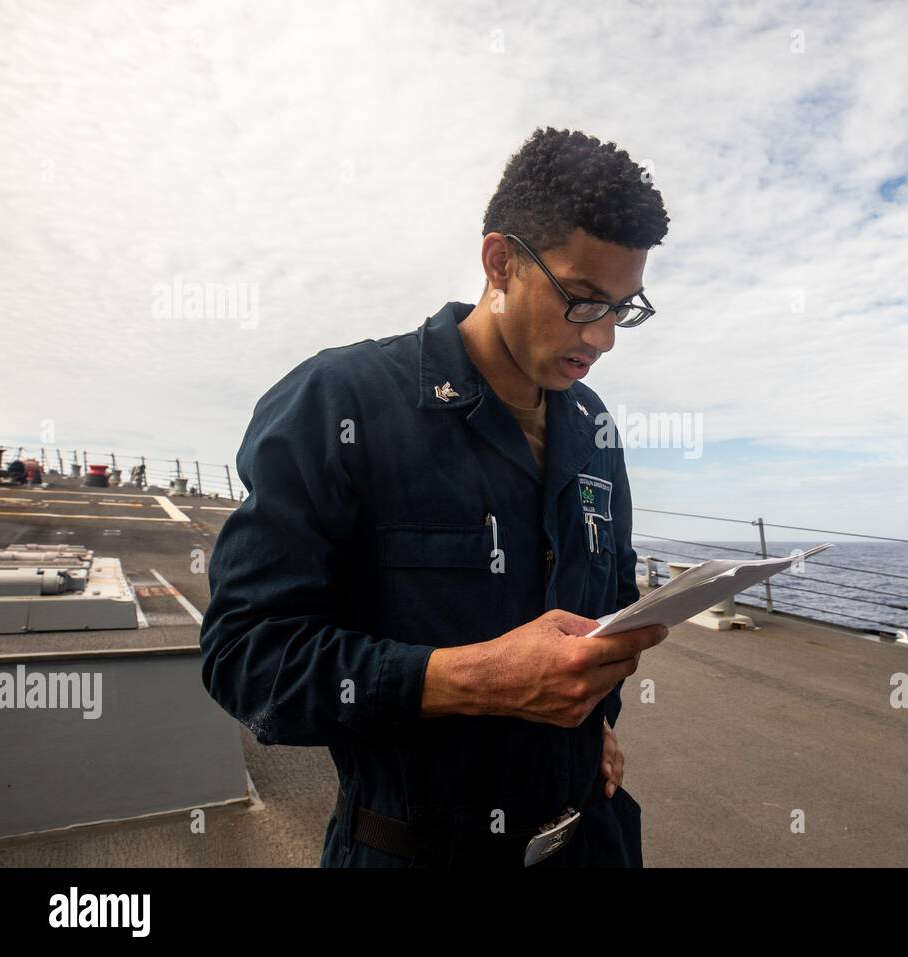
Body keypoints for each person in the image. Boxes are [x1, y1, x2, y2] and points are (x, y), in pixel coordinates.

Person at [199, 127, 671, 868]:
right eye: (584, 301)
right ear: (500, 261)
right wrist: (471, 677)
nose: (606, 336)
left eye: (625, 306)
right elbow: (245, 657)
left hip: (591, 841)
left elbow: (605, 596)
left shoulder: (594, 426)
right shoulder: (340, 402)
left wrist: (596, 723)